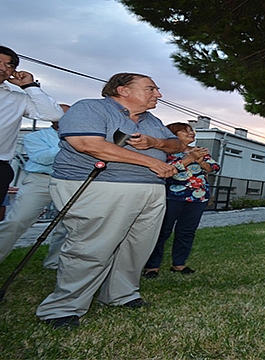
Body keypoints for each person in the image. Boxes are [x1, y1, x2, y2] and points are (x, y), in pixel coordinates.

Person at [36, 73, 184, 329]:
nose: (158, 94)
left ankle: (121, 294)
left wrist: (154, 142)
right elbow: (87, 144)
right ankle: (62, 307)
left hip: (151, 190)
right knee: (92, 247)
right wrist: (151, 161)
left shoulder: (152, 120)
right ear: (122, 90)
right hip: (101, 186)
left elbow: (176, 145)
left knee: (137, 247)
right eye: (151, 88)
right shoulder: (90, 108)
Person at [142, 123, 220, 278]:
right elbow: (167, 170)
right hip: (171, 196)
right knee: (162, 231)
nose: (191, 133)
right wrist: (189, 159)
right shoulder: (164, 152)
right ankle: (152, 266)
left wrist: (200, 161)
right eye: (186, 131)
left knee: (187, 231)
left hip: (198, 196)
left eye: (192, 131)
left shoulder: (199, 151)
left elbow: (214, 168)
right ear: (173, 134)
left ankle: (179, 264)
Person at [0, 104, 70, 269]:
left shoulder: (86, 137)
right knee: (17, 221)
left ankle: (54, 262)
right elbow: (42, 159)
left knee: (66, 225)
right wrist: (69, 142)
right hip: (41, 181)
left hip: (71, 181)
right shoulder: (35, 137)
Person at [0, 45, 64, 205]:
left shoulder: (17, 98)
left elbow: (54, 115)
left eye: (9, 65)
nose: (3, 68)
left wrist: (29, 86)